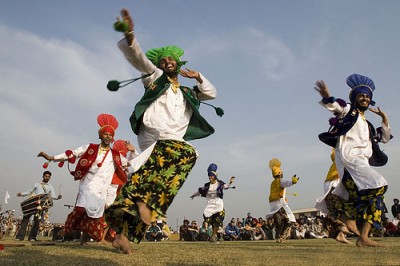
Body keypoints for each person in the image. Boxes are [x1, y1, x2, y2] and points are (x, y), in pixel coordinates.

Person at [104, 7, 219, 254]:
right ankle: (142, 199)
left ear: (178, 64)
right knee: (183, 156)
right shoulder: (154, 77)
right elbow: (140, 60)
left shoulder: (189, 92)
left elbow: (211, 93)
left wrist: (199, 76)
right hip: (155, 136)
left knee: (168, 176)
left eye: (171, 60)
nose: (167, 62)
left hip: (173, 142)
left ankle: (123, 234)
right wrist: (131, 37)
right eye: (163, 60)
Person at [315, 73, 392, 247]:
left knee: (378, 199)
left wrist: (384, 118)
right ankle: (345, 217)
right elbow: (337, 108)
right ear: (355, 98)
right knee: (380, 184)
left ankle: (362, 237)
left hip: (362, 165)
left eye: (367, 96)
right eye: (361, 96)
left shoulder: (368, 124)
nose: (365, 98)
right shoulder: (350, 112)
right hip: (350, 161)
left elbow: (385, 138)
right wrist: (327, 96)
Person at [37, 114, 135, 245]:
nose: (108, 137)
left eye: (110, 135)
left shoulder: (115, 155)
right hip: (86, 187)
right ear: (100, 135)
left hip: (101, 192)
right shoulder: (90, 148)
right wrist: (52, 158)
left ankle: (92, 238)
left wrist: (133, 152)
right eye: (105, 134)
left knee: (95, 216)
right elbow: (72, 153)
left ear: (112, 139)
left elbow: (131, 164)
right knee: (80, 210)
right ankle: (67, 229)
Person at [315, 149, 353, 244]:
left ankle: (341, 234)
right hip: (332, 188)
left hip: (335, 188)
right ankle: (342, 227)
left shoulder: (338, 165)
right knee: (338, 210)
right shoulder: (338, 164)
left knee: (339, 210)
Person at [190, 163, 235, 243]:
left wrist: (230, 182)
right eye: (209, 176)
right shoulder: (207, 185)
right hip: (210, 204)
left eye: (211, 176)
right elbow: (200, 191)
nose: (210, 177)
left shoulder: (220, 183)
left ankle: (213, 236)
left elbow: (226, 186)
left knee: (218, 218)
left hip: (218, 203)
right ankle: (214, 229)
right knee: (206, 218)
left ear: (214, 176)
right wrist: (194, 195)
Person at [15, 171, 62, 241]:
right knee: (25, 220)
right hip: (32, 204)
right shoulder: (37, 184)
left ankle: (32, 237)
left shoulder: (50, 186)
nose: (47, 178)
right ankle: (20, 237)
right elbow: (29, 191)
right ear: (43, 176)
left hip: (41, 206)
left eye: (49, 177)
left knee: (37, 222)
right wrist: (21, 194)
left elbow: (52, 196)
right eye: (46, 176)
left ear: (50, 178)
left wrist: (58, 197)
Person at [266, 158, 299, 243]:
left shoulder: (273, 183)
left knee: (279, 221)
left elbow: (278, 190)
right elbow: (286, 183)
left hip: (273, 204)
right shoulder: (280, 181)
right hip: (279, 203)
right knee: (289, 219)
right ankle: (282, 236)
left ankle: (278, 237)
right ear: (280, 173)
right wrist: (293, 182)